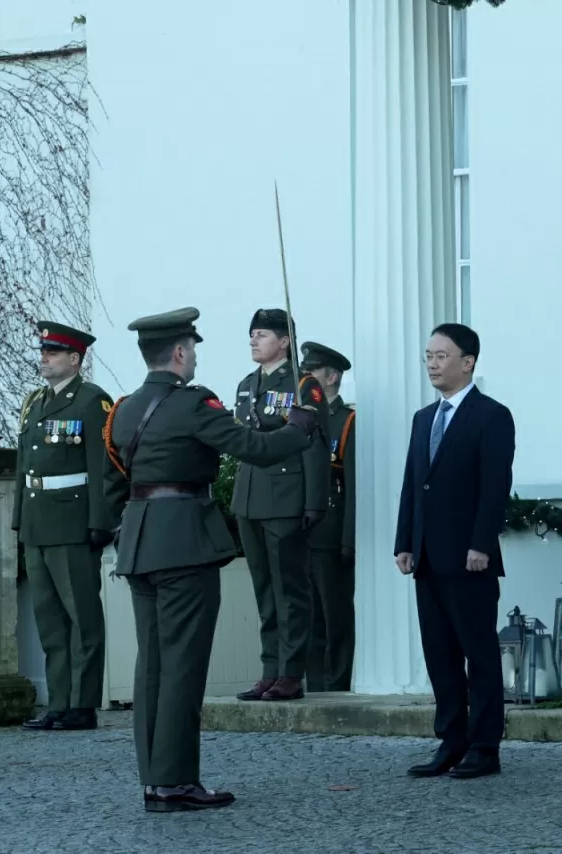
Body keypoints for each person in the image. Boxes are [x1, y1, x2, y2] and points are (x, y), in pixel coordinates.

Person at [103, 306, 321, 813]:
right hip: (183, 541)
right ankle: (176, 781)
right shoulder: (195, 405)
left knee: (152, 665)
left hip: (139, 541)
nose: (196, 356)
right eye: (194, 348)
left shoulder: (126, 408)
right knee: (182, 665)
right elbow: (258, 449)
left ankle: (155, 778)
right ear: (179, 352)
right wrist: (302, 421)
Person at [394, 323, 515, 779]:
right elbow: (412, 485)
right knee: (440, 655)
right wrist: (405, 541)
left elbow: (494, 486)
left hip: (470, 557)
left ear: (468, 362)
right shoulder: (424, 418)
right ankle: (451, 739)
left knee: (478, 653)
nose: (432, 363)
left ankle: (485, 747)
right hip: (427, 555)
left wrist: (481, 543)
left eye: (441, 355)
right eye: (428, 355)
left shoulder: (491, 415)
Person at [15, 321, 127, 732]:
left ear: (75, 359)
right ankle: (58, 702)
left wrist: (102, 522)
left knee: (82, 618)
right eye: (44, 351)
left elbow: (106, 469)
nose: (44, 358)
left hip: (73, 520)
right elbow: (24, 466)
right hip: (38, 522)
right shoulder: (34, 402)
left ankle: (83, 704)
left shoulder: (92, 402)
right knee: (49, 620)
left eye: (54, 352)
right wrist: (18, 519)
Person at [231, 309, 331, 703]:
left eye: (262, 335)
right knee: (264, 589)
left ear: (285, 341)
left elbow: (316, 447)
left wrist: (313, 501)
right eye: (252, 334)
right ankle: (269, 669)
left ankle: (291, 672)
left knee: (290, 590)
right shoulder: (246, 384)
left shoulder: (305, 386)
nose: (254, 341)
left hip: (287, 496)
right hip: (250, 495)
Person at [299, 341, 357, 693]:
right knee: (308, 616)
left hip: (331, 531)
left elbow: (351, 484)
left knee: (335, 615)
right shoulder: (300, 416)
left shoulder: (346, 421)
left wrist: (348, 539)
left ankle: (337, 684)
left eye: (313, 373)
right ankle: (315, 683)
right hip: (302, 531)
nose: (306, 379)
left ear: (332, 377)